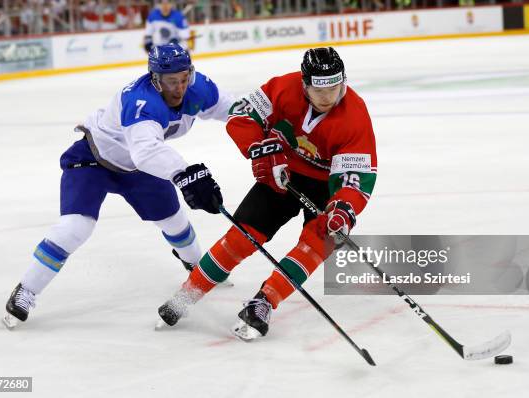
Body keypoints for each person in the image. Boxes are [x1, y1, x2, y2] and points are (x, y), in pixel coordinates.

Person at [3, 43, 232, 329]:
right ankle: (26, 289)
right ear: (155, 79)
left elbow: (231, 108)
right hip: (94, 158)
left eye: (184, 78)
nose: (179, 87)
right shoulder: (142, 101)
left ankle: (198, 267)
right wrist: (184, 173)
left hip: (138, 167)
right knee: (76, 227)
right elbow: (146, 151)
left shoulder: (199, 87)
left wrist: (264, 119)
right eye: (172, 81)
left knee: (174, 221)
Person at [156, 47, 378, 340]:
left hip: (327, 184)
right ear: (304, 84)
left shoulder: (355, 116)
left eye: (334, 89)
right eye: (319, 90)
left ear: (343, 82)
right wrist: (260, 150)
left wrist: (343, 208)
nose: (327, 98)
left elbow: (355, 177)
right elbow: (241, 115)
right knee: (241, 236)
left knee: (319, 240)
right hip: (281, 171)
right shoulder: (283, 87)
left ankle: (265, 302)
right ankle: (189, 293)